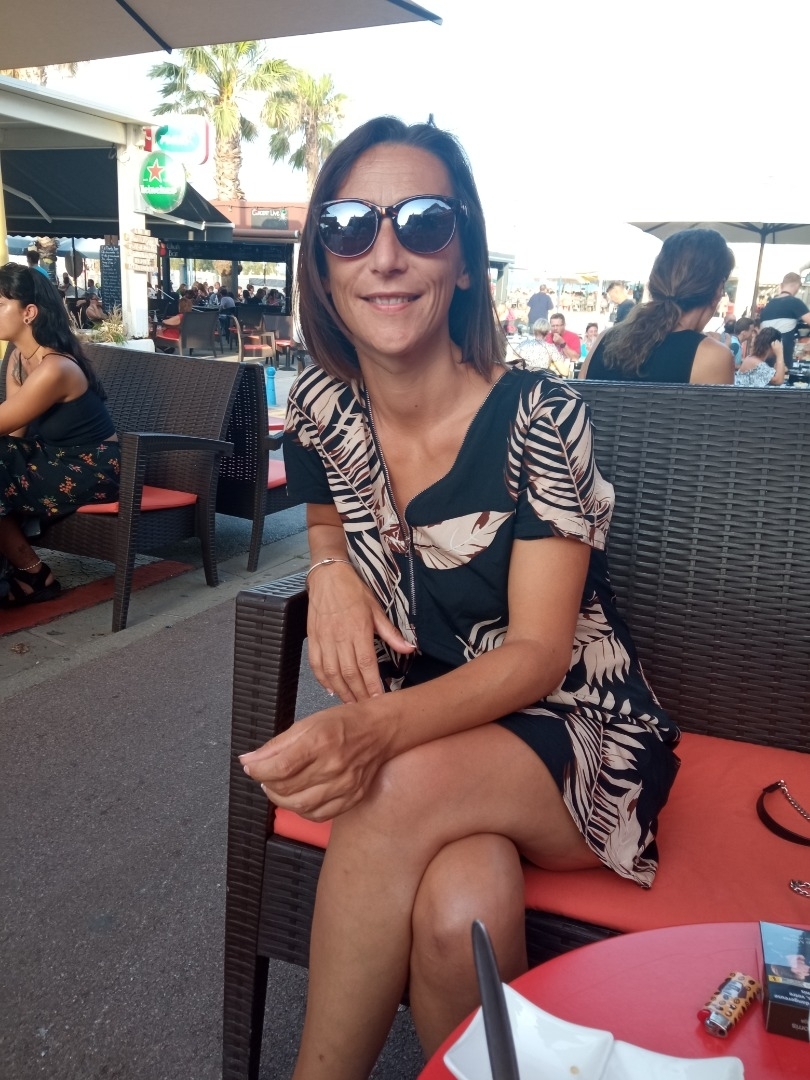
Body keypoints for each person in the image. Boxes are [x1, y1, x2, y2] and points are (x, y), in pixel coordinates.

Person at [239, 116, 681, 1078]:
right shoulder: (320, 406)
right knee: (460, 911)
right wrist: (329, 572)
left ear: (467, 261)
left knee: (389, 787)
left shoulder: (540, 418)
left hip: (578, 734)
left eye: (423, 223)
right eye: (349, 226)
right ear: (322, 266)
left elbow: (538, 655)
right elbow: (327, 518)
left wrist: (371, 731)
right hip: (443, 742)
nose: (385, 255)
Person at [0, 263, 119, 606]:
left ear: (29, 312)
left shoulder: (55, 367)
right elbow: (15, 430)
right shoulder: (19, 357)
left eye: (0, 304)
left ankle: (34, 574)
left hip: (91, 468)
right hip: (51, 458)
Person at [580, 229, 736, 384]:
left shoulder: (604, 340)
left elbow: (578, 397)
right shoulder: (712, 357)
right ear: (718, 289)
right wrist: (714, 349)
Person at [759, 272, 810, 369]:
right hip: (782, 357)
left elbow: (760, 333)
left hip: (765, 357)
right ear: (797, 286)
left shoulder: (768, 305)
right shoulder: (795, 302)